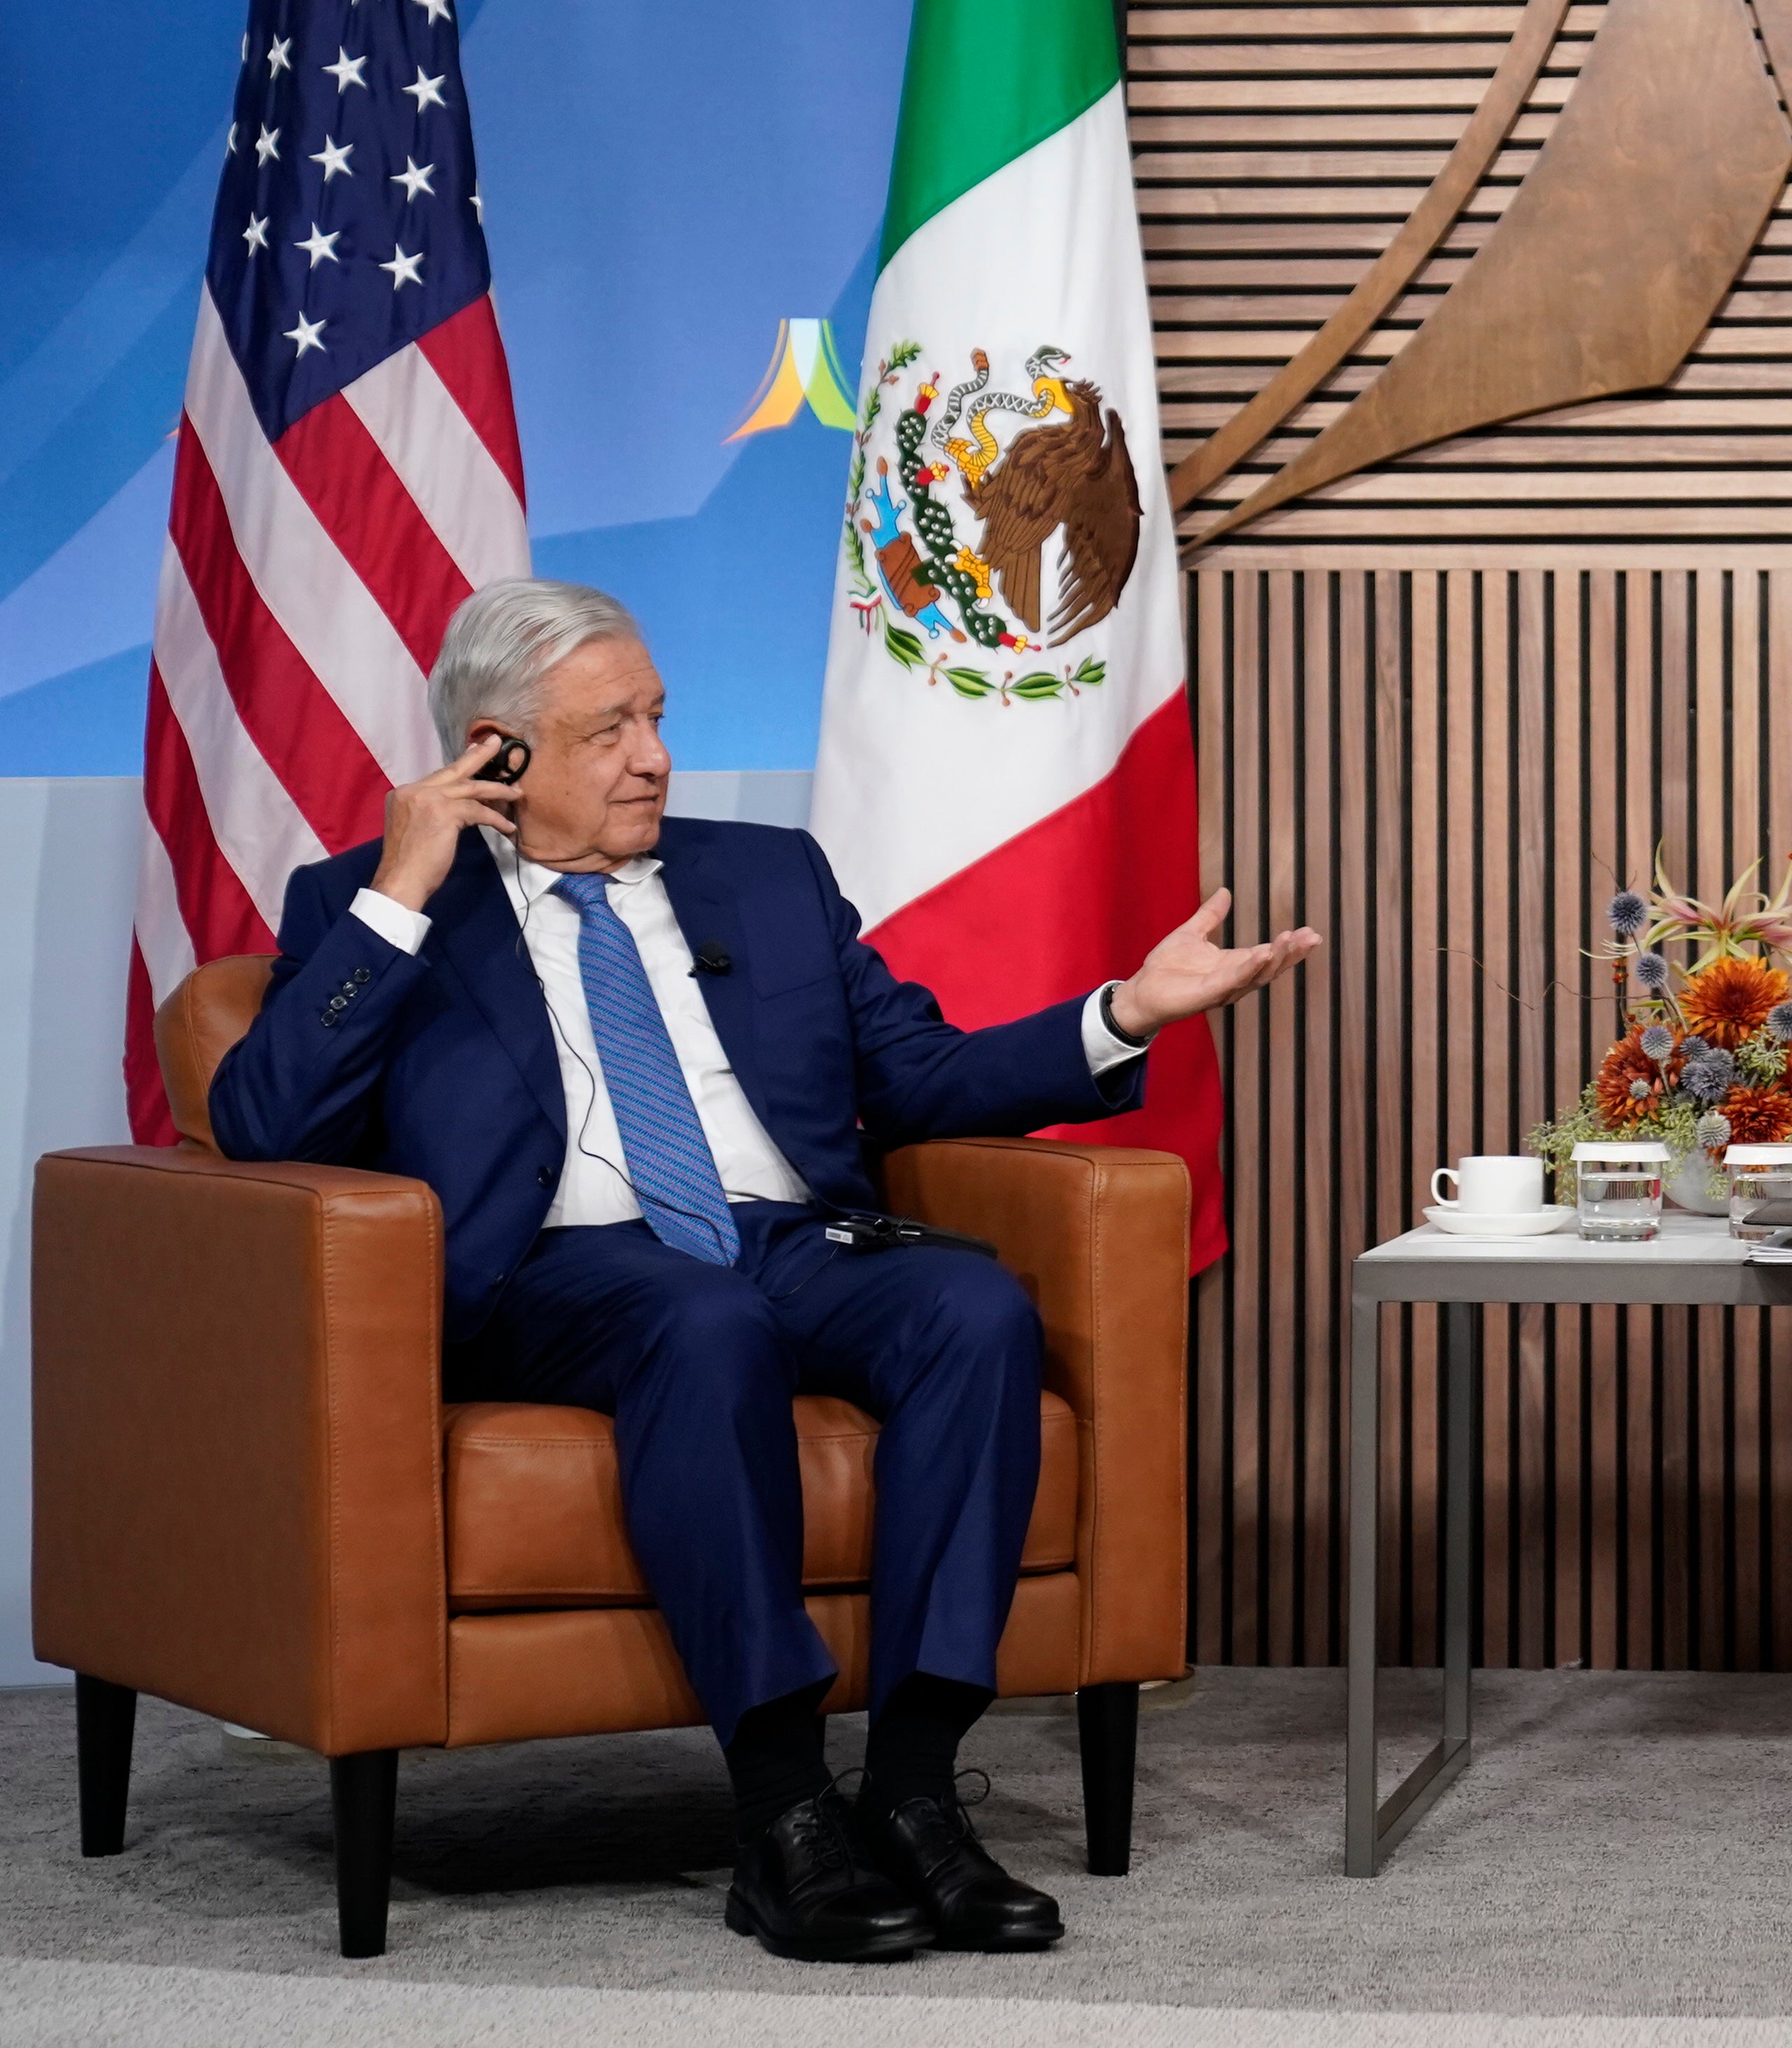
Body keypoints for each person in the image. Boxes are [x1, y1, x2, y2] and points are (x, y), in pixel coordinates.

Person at [206, 582, 1320, 1965]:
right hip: (563, 1272)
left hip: (792, 1238)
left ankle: (914, 1793)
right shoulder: (379, 910)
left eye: (657, 717)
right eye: (609, 730)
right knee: (703, 1320)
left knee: (975, 1306)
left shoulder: (766, 876)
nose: (655, 757)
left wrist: (1123, 1014)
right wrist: (399, 895)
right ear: (496, 753)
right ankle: (783, 1807)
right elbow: (263, 1126)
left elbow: (917, 1077)